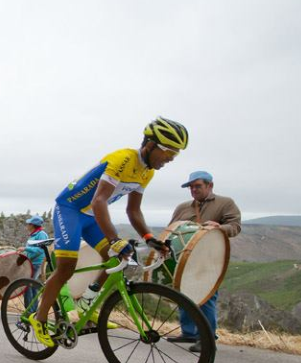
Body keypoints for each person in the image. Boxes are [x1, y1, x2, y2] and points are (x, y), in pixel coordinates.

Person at [27, 117, 188, 345]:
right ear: (151, 145)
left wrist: (150, 238)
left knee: (114, 260)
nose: (171, 159)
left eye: (176, 154)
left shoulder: (147, 172)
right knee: (66, 267)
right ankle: (40, 318)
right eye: (169, 151)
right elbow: (99, 200)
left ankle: (86, 304)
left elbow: (134, 211)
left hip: (92, 216)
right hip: (70, 210)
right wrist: (114, 239)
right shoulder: (122, 159)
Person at [166, 170, 242, 353]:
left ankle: (207, 338)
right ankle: (189, 332)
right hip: (184, 259)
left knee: (206, 297)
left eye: (197, 186)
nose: (193, 190)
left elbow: (236, 227)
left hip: (210, 259)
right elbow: (171, 229)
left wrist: (220, 228)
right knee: (183, 293)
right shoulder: (183, 207)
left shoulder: (225, 203)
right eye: (191, 187)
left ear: (210, 186)